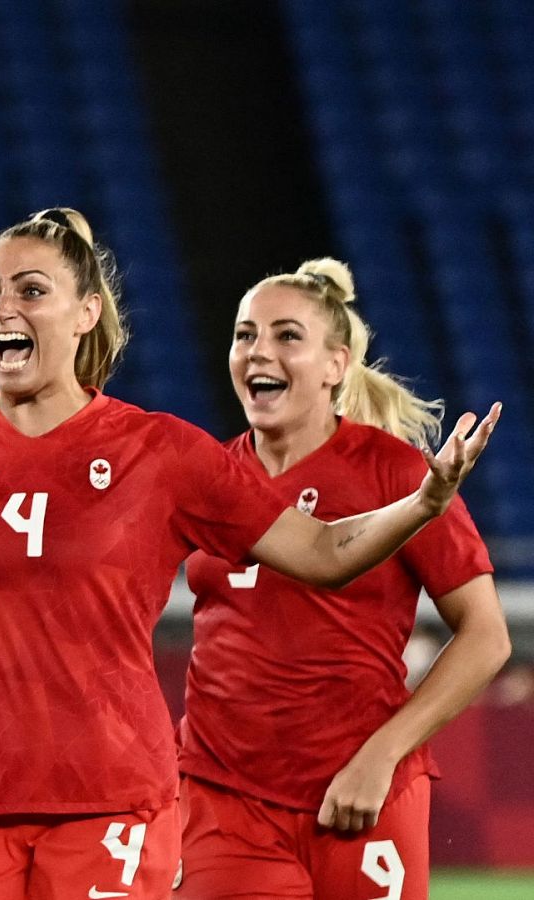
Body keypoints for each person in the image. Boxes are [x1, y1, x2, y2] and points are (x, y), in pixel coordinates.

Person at [0, 208, 499, 900]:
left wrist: (424, 503)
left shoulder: (164, 454)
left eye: (31, 290)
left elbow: (325, 551)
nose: (2, 308)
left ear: (86, 312)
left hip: (117, 801)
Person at [174, 259, 511, 900]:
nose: (258, 352)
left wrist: (382, 756)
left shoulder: (398, 472)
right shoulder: (205, 477)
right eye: (245, 335)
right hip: (225, 797)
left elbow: (487, 636)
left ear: (336, 365)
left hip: (360, 794)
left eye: (286, 336)